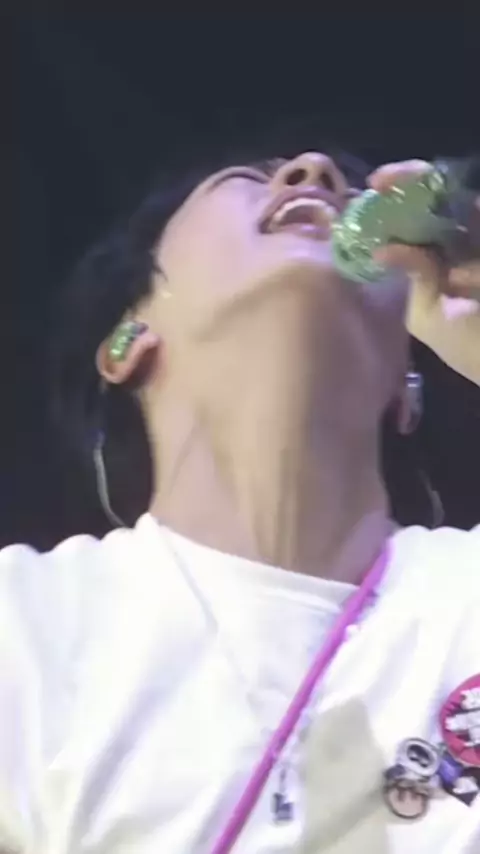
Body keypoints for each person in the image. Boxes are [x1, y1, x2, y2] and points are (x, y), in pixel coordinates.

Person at [1, 152, 479, 854]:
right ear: (127, 341)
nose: (316, 171)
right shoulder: (24, 624)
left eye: (351, 187)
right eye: (246, 179)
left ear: (407, 384)